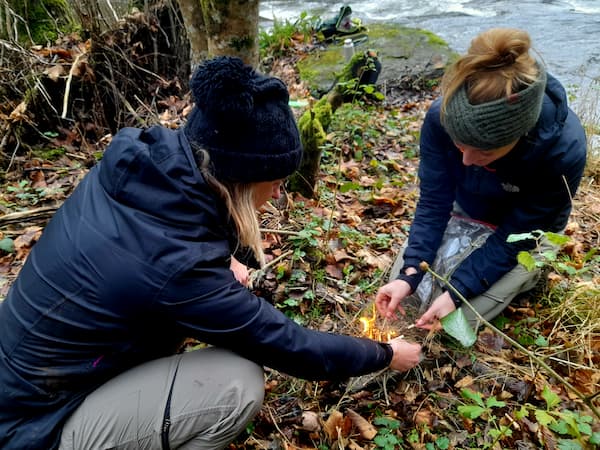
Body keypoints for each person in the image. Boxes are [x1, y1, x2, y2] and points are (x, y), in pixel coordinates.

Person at [0, 56, 422, 449]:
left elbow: (168, 239)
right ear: (238, 178)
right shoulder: (177, 266)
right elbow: (288, 345)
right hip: (36, 425)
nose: (278, 193)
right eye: (273, 181)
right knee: (236, 383)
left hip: (23, 382)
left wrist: (223, 258)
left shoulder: (144, 166)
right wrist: (384, 355)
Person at [376, 28, 587, 331]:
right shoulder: (441, 118)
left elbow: (519, 235)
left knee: (454, 323)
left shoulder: (562, 151)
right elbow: (434, 202)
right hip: (466, 210)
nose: (467, 161)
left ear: (519, 135)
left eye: (484, 153)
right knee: (409, 298)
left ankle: (532, 276)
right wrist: (409, 274)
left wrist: (456, 293)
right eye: (460, 146)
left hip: (523, 234)